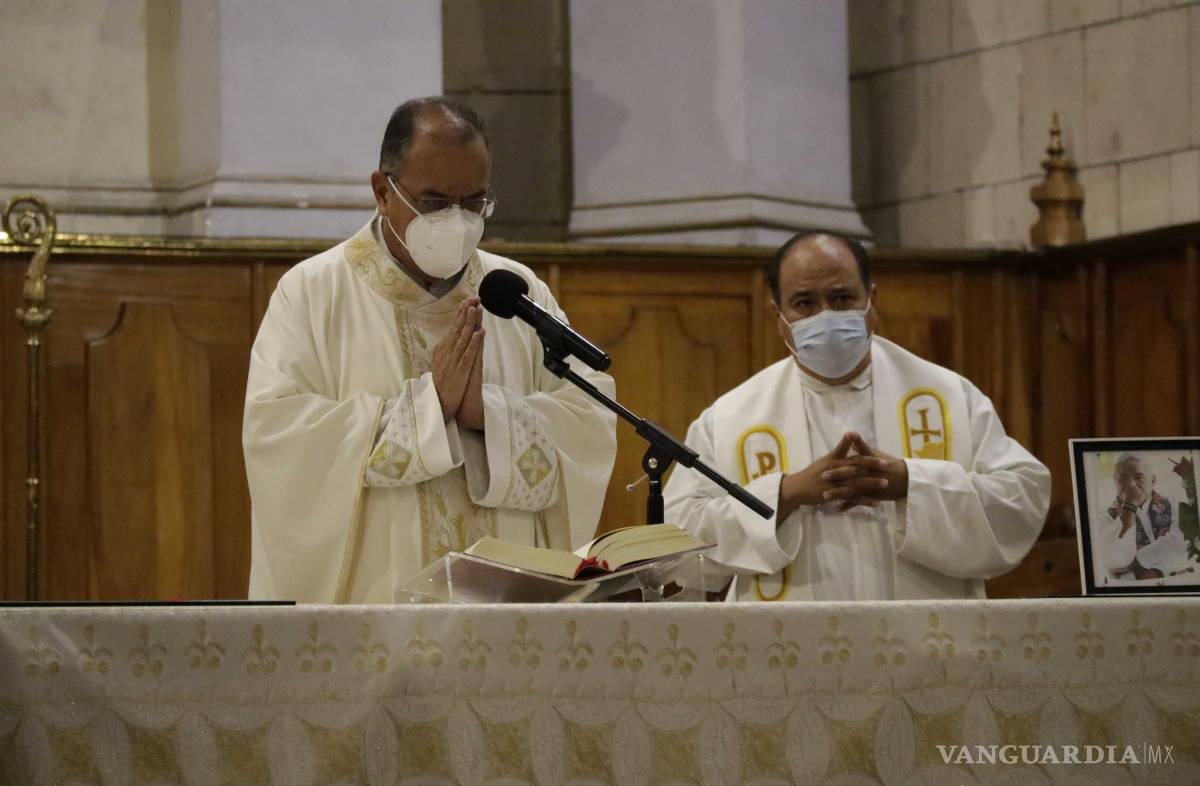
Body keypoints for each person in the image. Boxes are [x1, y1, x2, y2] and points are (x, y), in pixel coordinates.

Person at [244, 97, 617, 603]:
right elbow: (281, 441)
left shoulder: (518, 291)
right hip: (376, 618)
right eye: (436, 202)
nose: (457, 221)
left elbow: (589, 419)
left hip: (505, 619)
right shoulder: (312, 294)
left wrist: (490, 414)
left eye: (474, 202)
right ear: (382, 191)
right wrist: (427, 411)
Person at [663, 231, 1051, 600]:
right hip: (791, 649)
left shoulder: (950, 396)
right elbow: (676, 538)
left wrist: (912, 484)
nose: (825, 315)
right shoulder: (731, 416)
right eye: (804, 303)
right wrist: (785, 494)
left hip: (929, 646)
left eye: (842, 297)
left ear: (872, 300)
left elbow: (1022, 498)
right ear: (777, 314)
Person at [1104, 452, 1188, 581]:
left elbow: (1182, 542)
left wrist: (1138, 560)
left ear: (1153, 480)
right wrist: (1130, 507)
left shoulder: (1174, 504)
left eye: (1139, 477)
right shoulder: (1107, 515)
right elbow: (1117, 560)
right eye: (1123, 477)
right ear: (1114, 481)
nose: (1131, 484)